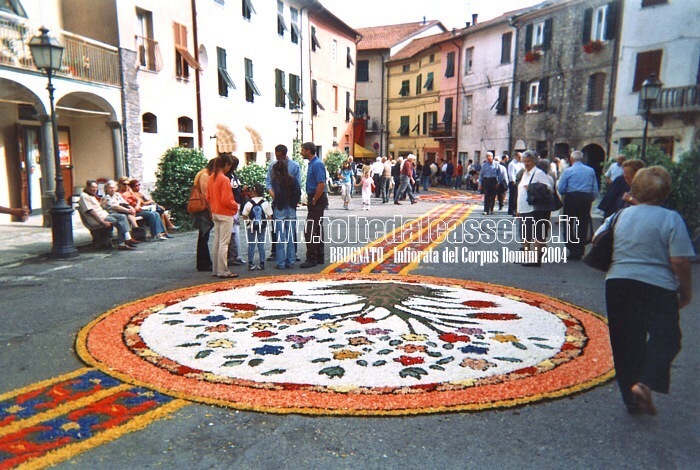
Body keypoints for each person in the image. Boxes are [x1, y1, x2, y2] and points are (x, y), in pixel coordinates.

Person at [600, 166, 694, 416]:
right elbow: (680, 261)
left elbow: (597, 240)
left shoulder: (619, 216)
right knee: (667, 338)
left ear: (634, 190)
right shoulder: (671, 219)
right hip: (657, 286)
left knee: (626, 341)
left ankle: (632, 399)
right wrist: (686, 292)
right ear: (666, 193)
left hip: (619, 283)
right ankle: (644, 382)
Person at [557, 151, 599, 260]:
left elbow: (561, 187)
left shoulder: (568, 171)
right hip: (585, 198)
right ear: (582, 159)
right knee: (582, 224)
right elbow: (595, 188)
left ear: (571, 159)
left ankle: (572, 248)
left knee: (568, 223)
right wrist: (591, 198)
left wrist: (565, 194)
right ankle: (580, 248)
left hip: (572, 197)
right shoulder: (590, 171)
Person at [516, 151, 553, 267]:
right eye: (525, 161)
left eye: (529, 161)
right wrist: (518, 210)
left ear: (534, 161)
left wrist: (532, 188)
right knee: (525, 234)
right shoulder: (525, 173)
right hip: (524, 208)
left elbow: (548, 188)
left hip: (534, 208)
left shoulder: (538, 173)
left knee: (537, 234)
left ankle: (536, 259)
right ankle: (526, 257)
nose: (526, 164)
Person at [266, 144, 302, 263]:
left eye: (279, 156)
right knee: (289, 233)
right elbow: (298, 188)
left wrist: (277, 198)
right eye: (276, 156)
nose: (277, 158)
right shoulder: (274, 166)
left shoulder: (293, 166)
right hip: (289, 204)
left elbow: (269, 184)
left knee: (280, 234)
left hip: (281, 204)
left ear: (285, 154)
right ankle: (290, 260)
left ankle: (281, 261)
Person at [206, 153, 239, 278]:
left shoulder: (211, 178)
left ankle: (216, 269)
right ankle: (223, 270)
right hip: (225, 213)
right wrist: (235, 206)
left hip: (215, 212)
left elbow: (208, 197)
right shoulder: (224, 179)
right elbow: (226, 199)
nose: (229, 169)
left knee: (217, 241)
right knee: (224, 243)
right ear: (226, 165)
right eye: (229, 166)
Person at [79, 179, 136, 251]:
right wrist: (103, 222)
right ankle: (124, 241)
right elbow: (91, 211)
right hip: (101, 218)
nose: (95, 189)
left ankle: (126, 240)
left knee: (122, 218)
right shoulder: (84, 196)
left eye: (96, 187)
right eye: (92, 187)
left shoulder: (91, 195)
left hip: (105, 215)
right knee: (121, 221)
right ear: (87, 187)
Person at [300, 142, 327, 268]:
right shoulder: (313, 163)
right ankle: (319, 255)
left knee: (309, 229)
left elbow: (321, 184)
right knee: (316, 228)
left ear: (309, 151)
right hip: (316, 197)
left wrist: (314, 199)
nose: (301, 152)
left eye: (303, 150)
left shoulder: (317, 164)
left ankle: (312, 257)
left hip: (317, 198)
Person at [118, 177, 168, 241]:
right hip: (130, 211)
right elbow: (123, 204)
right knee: (151, 215)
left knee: (156, 213)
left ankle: (159, 233)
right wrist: (133, 208)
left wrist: (137, 206)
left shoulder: (129, 192)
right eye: (125, 184)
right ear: (120, 185)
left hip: (137, 209)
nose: (127, 186)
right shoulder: (119, 194)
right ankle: (155, 234)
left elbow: (138, 199)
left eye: (128, 184)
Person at [242, 183, 272, 271]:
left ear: (253, 192)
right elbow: (270, 216)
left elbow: (244, 215)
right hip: (261, 226)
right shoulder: (265, 203)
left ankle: (250, 263)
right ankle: (262, 262)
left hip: (251, 226)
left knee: (251, 244)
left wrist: (248, 222)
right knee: (261, 243)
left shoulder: (248, 203)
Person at [191, 159, 215, 271]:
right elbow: (206, 196)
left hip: (202, 208)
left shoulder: (201, 173)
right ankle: (204, 263)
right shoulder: (205, 176)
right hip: (204, 209)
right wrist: (211, 211)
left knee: (203, 236)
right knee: (204, 236)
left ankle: (203, 262)